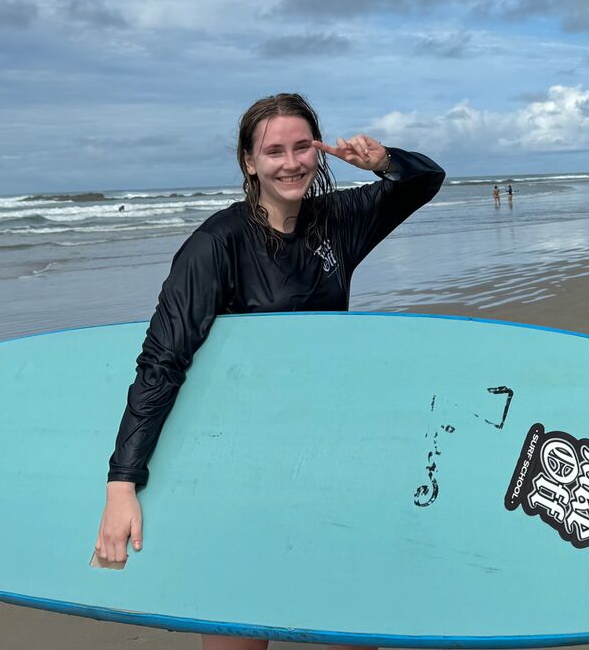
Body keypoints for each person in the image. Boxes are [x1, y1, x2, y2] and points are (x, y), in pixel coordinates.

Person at [93, 93, 444, 650]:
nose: (291, 162)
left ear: (319, 151)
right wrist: (122, 481)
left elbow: (425, 181)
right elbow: (163, 361)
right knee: (238, 615)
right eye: (274, 151)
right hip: (240, 456)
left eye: (303, 147)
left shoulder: (339, 220)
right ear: (248, 162)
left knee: (348, 616)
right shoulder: (215, 245)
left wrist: (382, 162)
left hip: (331, 444)